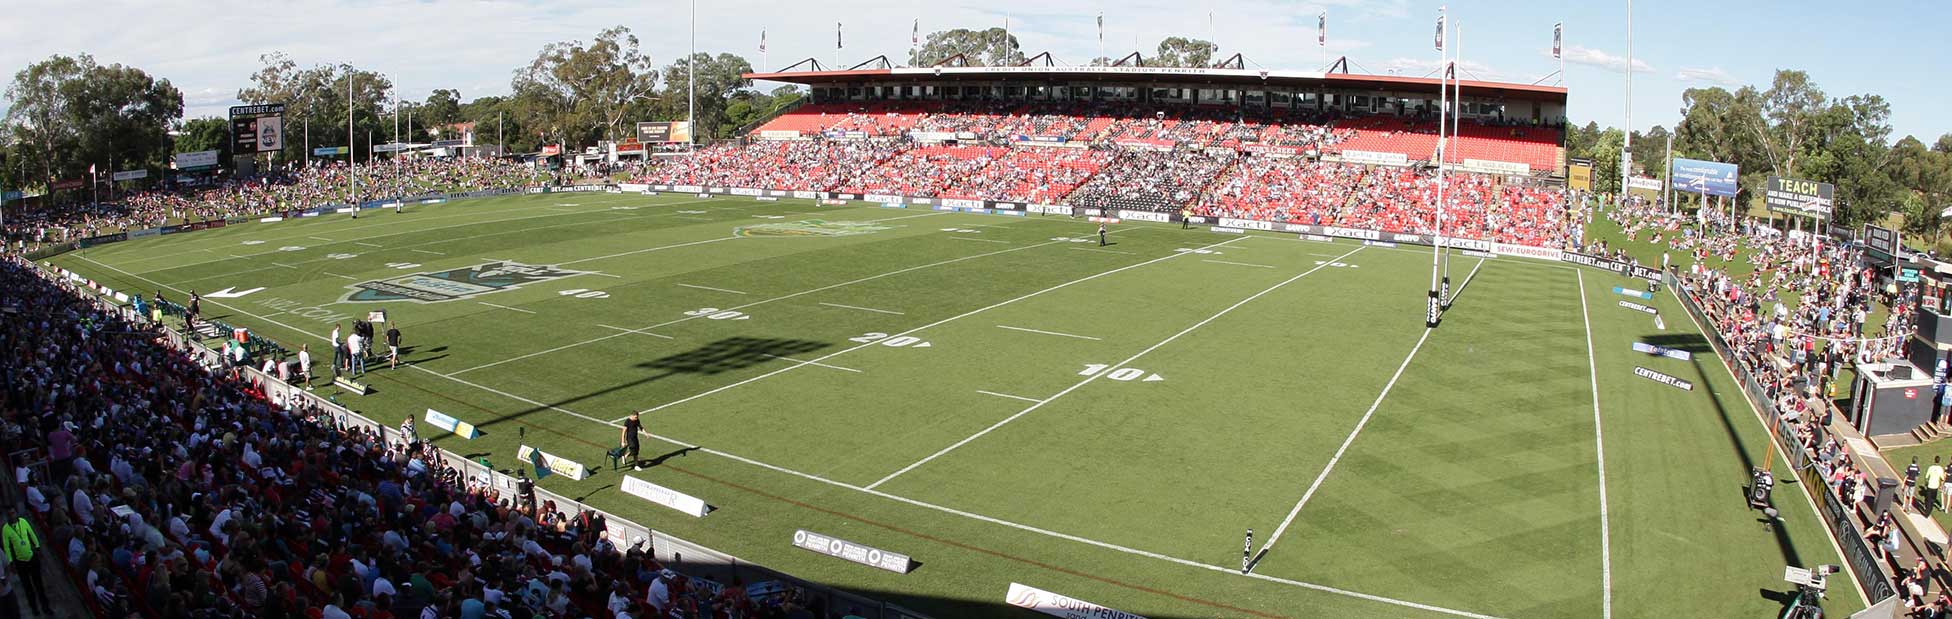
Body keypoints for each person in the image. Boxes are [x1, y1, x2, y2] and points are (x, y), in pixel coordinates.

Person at [1, 508, 47, 616]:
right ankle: (34, 609)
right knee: (28, 588)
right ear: (7, 516)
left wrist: (38, 547)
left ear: (16, 513)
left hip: (32, 557)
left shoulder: (23, 521)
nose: (12, 515)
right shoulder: (6, 529)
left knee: (39, 584)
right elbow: (7, 547)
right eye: (9, 514)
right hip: (20, 562)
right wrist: (11, 562)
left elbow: (31, 534)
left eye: (13, 513)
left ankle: (45, 606)